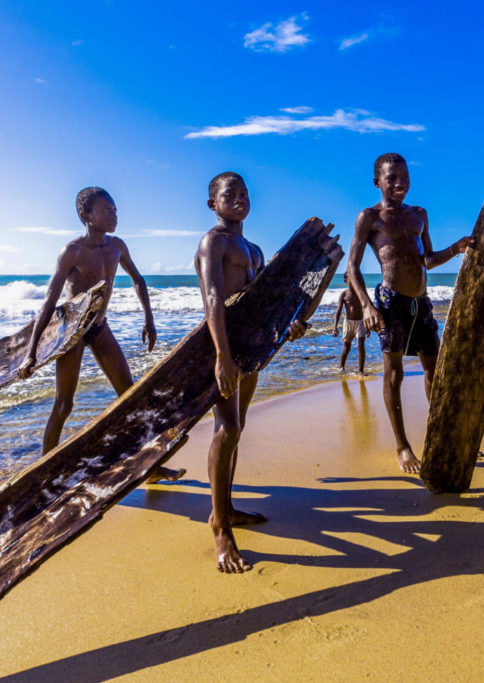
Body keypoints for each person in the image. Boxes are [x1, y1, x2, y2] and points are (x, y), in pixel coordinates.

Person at [19, 187, 184, 483]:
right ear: (86, 216)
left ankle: (150, 467)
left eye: (115, 210)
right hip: (72, 332)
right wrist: (31, 351)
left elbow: (139, 280)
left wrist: (150, 320)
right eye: (107, 210)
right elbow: (49, 300)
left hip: (100, 326)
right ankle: (41, 477)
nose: (114, 215)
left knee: (130, 395)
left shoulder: (117, 246)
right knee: (64, 404)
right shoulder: (72, 251)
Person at [196, 171, 310, 573]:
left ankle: (225, 506)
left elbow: (266, 300)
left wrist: (291, 323)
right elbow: (212, 296)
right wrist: (221, 356)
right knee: (225, 429)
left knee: (237, 428)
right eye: (230, 194)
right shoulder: (214, 241)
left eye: (244, 193)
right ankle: (220, 530)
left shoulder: (255, 249)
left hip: (250, 348)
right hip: (223, 345)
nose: (240, 198)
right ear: (214, 203)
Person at [346, 153, 473, 474]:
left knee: (436, 371)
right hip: (391, 303)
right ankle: (402, 446)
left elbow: (427, 260)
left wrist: (455, 249)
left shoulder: (419, 215)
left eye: (404, 177)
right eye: (392, 178)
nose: (400, 183)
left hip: (421, 303)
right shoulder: (369, 217)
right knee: (394, 374)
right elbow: (352, 267)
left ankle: (441, 431)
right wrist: (367, 306)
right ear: (378, 182)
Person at [333, 273, 369, 374]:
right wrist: (335, 327)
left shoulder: (360, 293)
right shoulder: (344, 294)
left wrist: (368, 326)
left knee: (360, 345)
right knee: (346, 347)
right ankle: (341, 367)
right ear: (345, 281)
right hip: (348, 323)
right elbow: (338, 311)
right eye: (350, 278)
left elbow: (366, 308)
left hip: (360, 323)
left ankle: (361, 370)